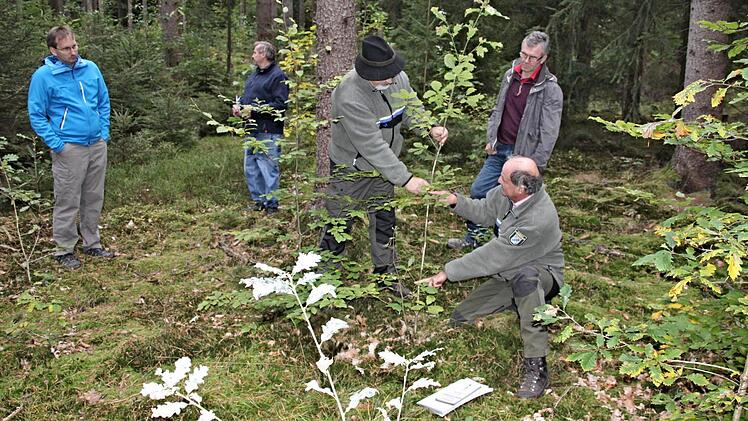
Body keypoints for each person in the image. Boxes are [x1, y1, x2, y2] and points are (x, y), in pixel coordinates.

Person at [318, 35, 448, 297]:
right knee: (338, 224)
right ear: (367, 73)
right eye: (384, 76)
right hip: (350, 170)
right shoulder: (349, 93)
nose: (391, 79)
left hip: (384, 170)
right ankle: (324, 282)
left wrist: (428, 127)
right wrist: (406, 179)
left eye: (392, 73)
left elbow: (411, 105)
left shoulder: (397, 77)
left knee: (385, 220)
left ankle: (386, 276)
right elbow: (371, 145)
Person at [425, 156, 564, 399]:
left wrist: (449, 271)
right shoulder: (505, 193)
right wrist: (454, 201)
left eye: (504, 178)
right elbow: (485, 211)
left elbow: (494, 255)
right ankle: (517, 301)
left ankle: (536, 367)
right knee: (460, 317)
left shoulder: (538, 219)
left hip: (541, 274)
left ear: (521, 187)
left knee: (526, 279)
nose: (498, 180)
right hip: (507, 272)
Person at [448, 31, 562, 249]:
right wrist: (491, 137)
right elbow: (498, 109)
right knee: (479, 191)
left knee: (513, 203)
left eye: (532, 57)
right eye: (523, 54)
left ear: (543, 58)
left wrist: (535, 164)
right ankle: (475, 239)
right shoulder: (510, 75)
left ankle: (504, 248)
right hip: (499, 149)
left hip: (523, 156)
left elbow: (549, 132)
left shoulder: (550, 89)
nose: (525, 61)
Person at [28, 26, 114, 270]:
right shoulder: (43, 76)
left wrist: (103, 133)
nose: (73, 52)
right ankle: (64, 249)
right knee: (67, 199)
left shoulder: (91, 68)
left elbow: (103, 102)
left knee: (94, 196)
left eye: (74, 46)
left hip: (96, 144)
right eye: (66, 48)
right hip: (69, 147)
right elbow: (36, 114)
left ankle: (92, 243)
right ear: (53, 50)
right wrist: (57, 144)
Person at [232, 41, 289, 214]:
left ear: (264, 54)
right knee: (251, 167)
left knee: (268, 168)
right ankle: (259, 202)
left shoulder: (278, 76)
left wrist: (254, 109)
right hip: (250, 128)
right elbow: (247, 97)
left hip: (268, 130)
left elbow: (281, 104)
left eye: (255, 52)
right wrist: (239, 106)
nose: (252, 55)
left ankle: (272, 206)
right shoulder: (254, 75)